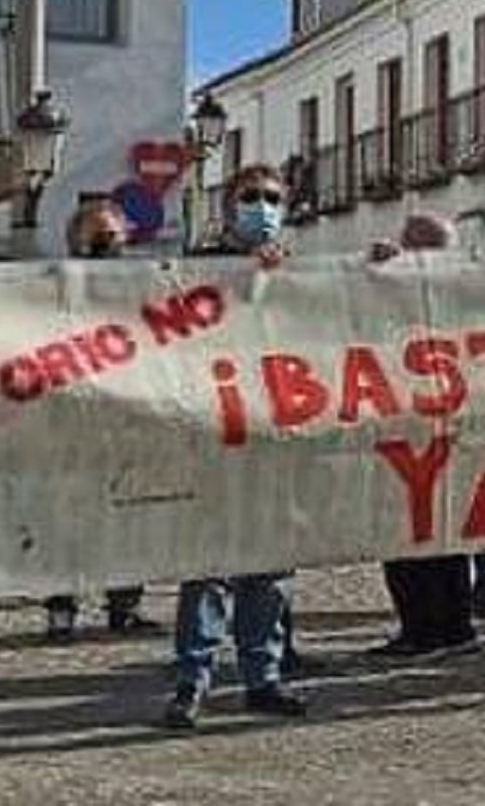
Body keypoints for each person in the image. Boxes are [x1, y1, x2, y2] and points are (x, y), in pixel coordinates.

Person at [164, 162, 306, 731]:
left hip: (274, 436)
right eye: (251, 196)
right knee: (209, 568)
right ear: (229, 205)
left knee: (269, 569)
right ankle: (191, 681)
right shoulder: (197, 266)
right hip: (215, 435)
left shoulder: (302, 269)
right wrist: (242, 276)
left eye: (272, 197)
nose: (262, 206)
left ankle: (262, 678)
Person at [42, 201, 157, 643]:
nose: (106, 244)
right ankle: (61, 608)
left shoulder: (140, 286)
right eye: (97, 237)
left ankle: (125, 604)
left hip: (126, 416)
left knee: (128, 513)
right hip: (72, 418)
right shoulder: (54, 285)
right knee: (67, 518)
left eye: (112, 235)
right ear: (76, 240)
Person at [370, 213, 481, 660]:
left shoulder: (461, 290)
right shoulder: (400, 285)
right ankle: (438, 626)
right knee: (417, 535)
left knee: (437, 537)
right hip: (407, 426)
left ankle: (437, 628)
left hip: (444, 428)